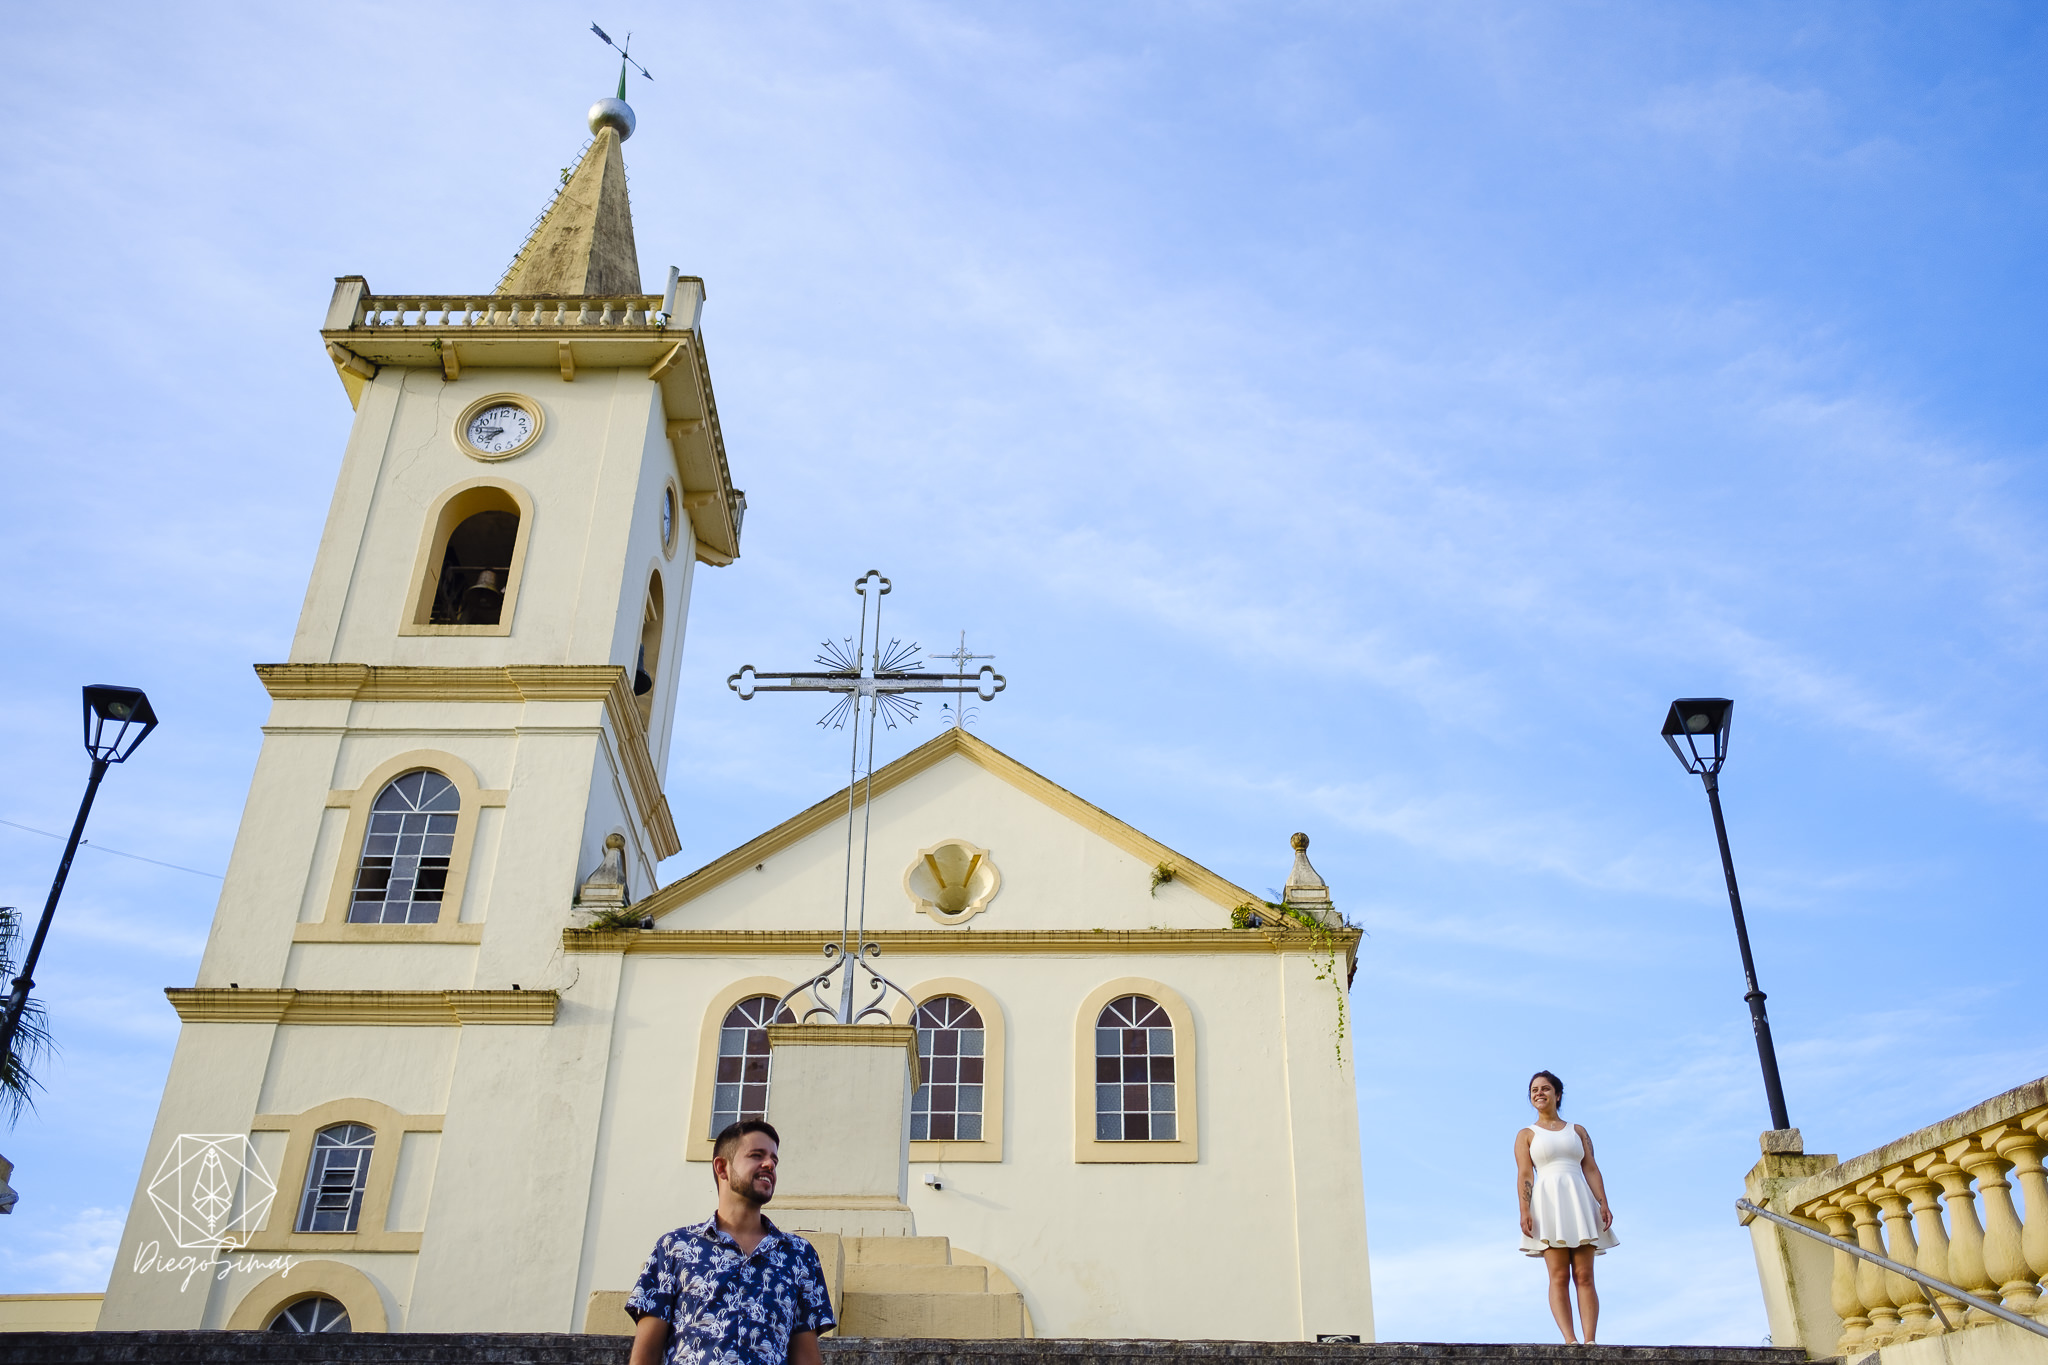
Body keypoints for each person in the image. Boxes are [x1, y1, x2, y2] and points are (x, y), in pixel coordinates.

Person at [626, 1119, 836, 1365]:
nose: (769, 1164)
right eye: (757, 1155)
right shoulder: (674, 1248)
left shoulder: (799, 1255)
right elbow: (646, 1355)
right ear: (722, 1168)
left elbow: (806, 1358)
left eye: (774, 1160)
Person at [1515, 1069, 1616, 1345]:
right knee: (1558, 1275)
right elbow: (1525, 1174)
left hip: (1578, 1197)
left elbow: (1591, 1168)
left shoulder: (1578, 1131)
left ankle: (1590, 1340)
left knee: (1584, 1274)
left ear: (1557, 1095)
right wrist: (1525, 1211)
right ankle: (1570, 1340)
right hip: (1547, 1202)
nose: (1539, 1093)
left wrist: (1603, 1202)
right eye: (1534, 1090)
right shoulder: (1526, 1134)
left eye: (1545, 1089)